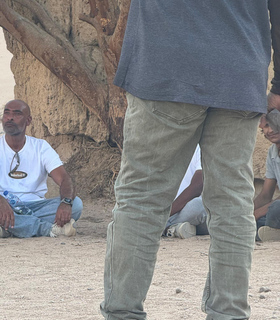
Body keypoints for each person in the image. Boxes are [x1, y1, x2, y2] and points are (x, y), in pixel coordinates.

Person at [101, 2, 280, 320]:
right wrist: (279, 85)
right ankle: (228, 312)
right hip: (239, 74)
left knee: (142, 197)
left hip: (165, 66)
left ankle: (122, 311)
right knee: (232, 203)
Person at [0, 99, 82, 238]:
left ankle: (8, 229)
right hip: (1, 207)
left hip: (35, 206)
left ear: (28, 120)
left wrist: (66, 202)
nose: (10, 117)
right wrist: (0, 201)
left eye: (17, 114)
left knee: (76, 204)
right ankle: (48, 229)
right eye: (7, 113)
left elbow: (64, 178)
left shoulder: (41, 147)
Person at [163, 145, 208, 239]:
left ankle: (164, 227)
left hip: (185, 209)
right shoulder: (162, 145)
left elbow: (198, 186)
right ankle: (174, 229)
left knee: (198, 206)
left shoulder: (201, 147)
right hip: (169, 211)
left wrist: (165, 214)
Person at [253, 112, 280, 242]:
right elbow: (265, 195)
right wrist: (245, 215)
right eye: (266, 126)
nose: (270, 130)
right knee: (245, 222)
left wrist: (256, 214)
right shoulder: (272, 152)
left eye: (272, 125)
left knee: (275, 209)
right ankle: (270, 232)